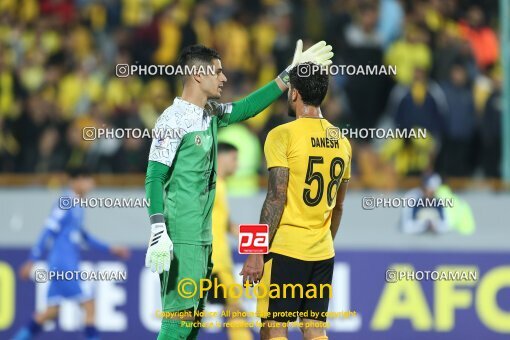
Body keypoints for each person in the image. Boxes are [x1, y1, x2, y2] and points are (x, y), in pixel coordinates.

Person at [144, 42, 334, 340]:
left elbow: (247, 107)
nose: (224, 78)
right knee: (178, 321)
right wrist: (158, 228)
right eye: (218, 72)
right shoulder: (172, 119)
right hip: (182, 233)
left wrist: (288, 75)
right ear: (197, 75)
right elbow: (154, 177)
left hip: (202, 237)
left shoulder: (210, 113)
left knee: (192, 322)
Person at [240, 62, 352, 340]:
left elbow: (275, 198)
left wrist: (256, 253)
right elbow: (338, 207)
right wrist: (323, 242)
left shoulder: (282, 135)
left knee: (273, 328)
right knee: (315, 330)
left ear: (294, 94)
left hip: (285, 249)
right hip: (323, 250)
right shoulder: (342, 141)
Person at [12, 166, 130, 340]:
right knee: (90, 305)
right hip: (65, 265)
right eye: (88, 180)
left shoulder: (76, 205)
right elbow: (48, 230)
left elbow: (83, 236)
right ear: (77, 181)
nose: (92, 185)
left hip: (59, 265)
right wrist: (32, 260)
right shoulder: (66, 202)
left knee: (50, 312)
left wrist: (110, 248)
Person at [208, 142, 253, 340]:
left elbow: (227, 225)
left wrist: (260, 243)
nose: (237, 165)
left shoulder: (218, 184)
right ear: (221, 157)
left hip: (215, 261)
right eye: (234, 159)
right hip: (213, 261)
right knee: (235, 309)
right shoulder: (210, 184)